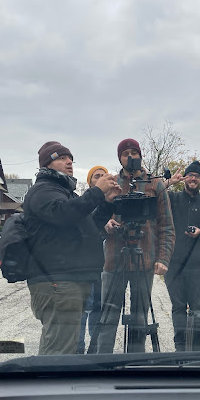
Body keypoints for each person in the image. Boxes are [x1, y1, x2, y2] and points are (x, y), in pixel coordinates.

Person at [23, 142, 120, 355]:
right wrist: (96, 192)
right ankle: (51, 387)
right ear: (47, 164)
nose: (69, 162)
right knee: (59, 352)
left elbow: (90, 227)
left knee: (64, 348)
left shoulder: (65, 193)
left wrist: (107, 203)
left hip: (68, 282)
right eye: (62, 158)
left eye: (71, 158)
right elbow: (65, 214)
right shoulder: (43, 191)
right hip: (57, 283)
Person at [96, 138, 175, 353]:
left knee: (140, 318)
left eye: (134, 152)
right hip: (114, 259)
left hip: (145, 260)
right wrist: (106, 224)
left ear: (140, 155)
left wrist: (163, 258)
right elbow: (96, 217)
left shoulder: (155, 184)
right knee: (108, 317)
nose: (130, 157)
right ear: (119, 158)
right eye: (125, 153)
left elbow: (166, 225)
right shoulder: (110, 183)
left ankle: (135, 363)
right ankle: (103, 365)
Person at [164, 160, 200, 351]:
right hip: (174, 265)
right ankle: (180, 346)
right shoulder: (172, 199)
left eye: (196, 176)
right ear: (184, 179)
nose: (193, 178)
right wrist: (168, 183)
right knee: (178, 308)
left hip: (198, 266)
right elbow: (154, 197)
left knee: (196, 307)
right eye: (190, 175)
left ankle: (197, 348)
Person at [76, 165, 109, 354]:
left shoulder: (113, 201)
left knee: (99, 308)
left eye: (104, 176)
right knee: (83, 308)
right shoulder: (84, 202)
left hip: (107, 264)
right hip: (85, 265)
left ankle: (95, 350)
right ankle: (78, 348)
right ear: (90, 182)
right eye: (96, 176)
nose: (101, 178)